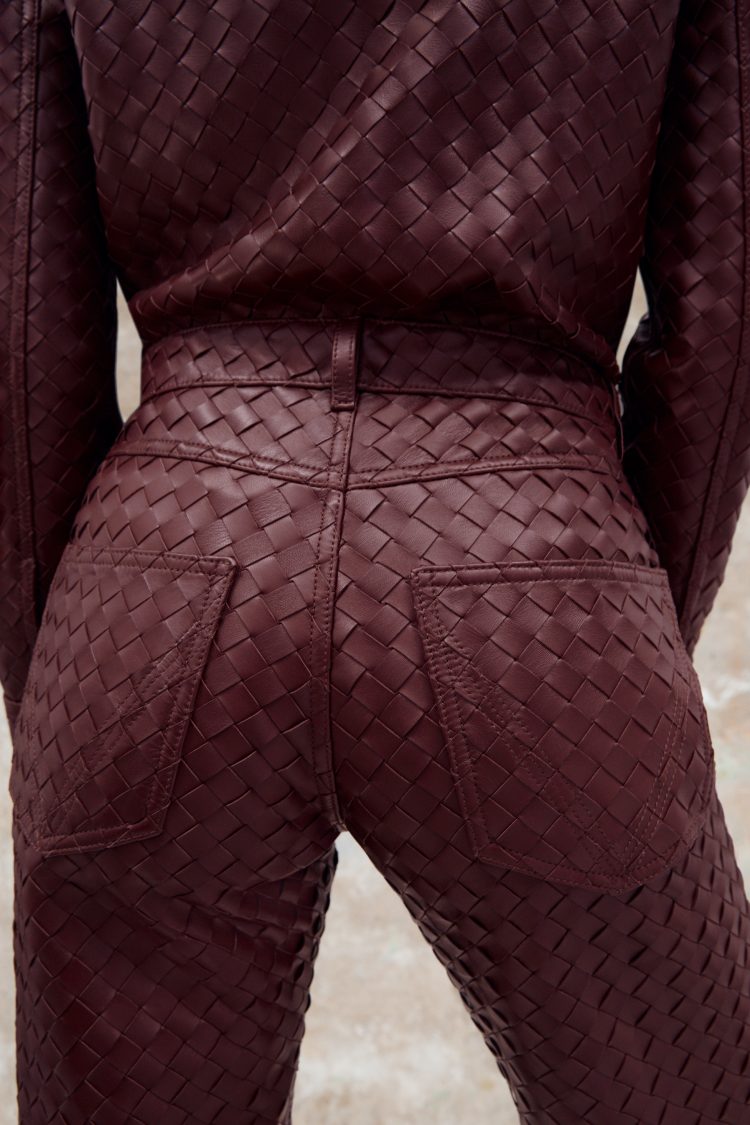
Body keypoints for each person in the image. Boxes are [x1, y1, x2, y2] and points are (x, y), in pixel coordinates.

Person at [1, 1, 748, 1122]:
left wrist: (73, 664)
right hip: (529, 554)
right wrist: (622, 614)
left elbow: (22, 318)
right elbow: (723, 306)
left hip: (168, 553)